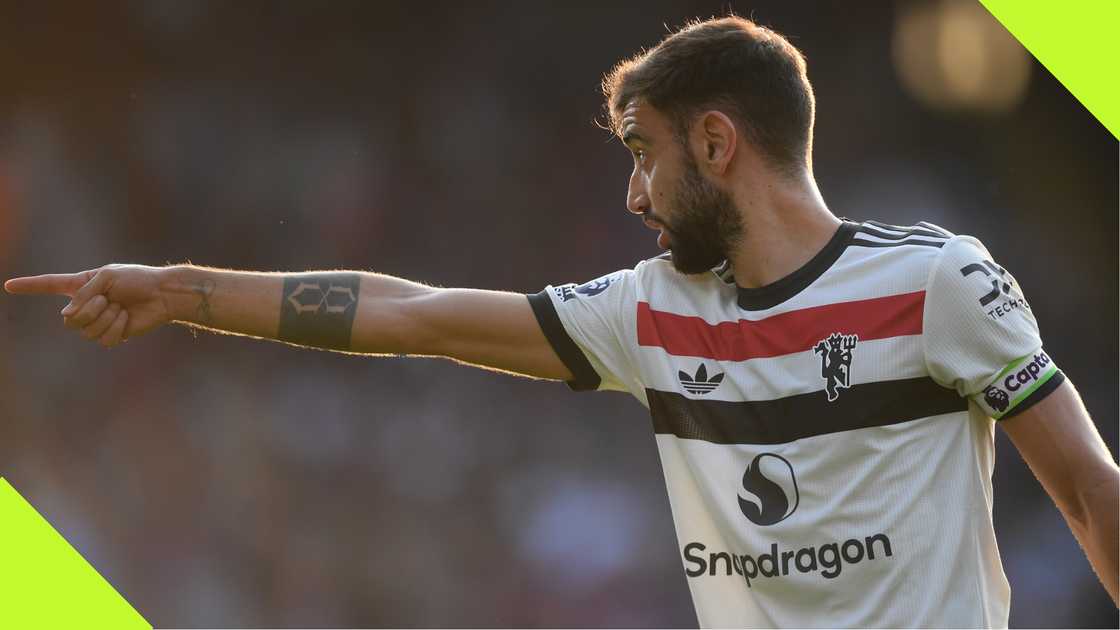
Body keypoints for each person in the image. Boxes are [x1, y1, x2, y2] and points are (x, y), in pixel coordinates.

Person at [4, 15, 1116, 628]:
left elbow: (1086, 491)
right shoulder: (652, 313)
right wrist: (175, 285)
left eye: (644, 154)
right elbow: (412, 315)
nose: (633, 196)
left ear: (716, 145)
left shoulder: (935, 284)